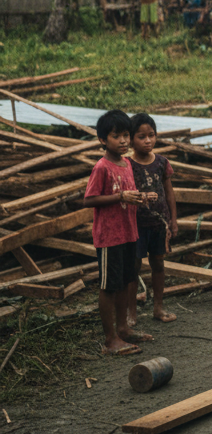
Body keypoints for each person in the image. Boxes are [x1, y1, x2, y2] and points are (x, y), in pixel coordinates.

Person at [83, 110, 153, 356]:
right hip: (109, 237)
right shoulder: (102, 167)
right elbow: (89, 200)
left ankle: (123, 329)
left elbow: (127, 195)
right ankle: (110, 339)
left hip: (128, 233)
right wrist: (120, 197)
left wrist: (141, 198)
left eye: (126, 135)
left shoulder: (127, 164)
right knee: (109, 286)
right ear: (103, 139)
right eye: (116, 136)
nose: (123, 141)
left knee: (126, 282)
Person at [127, 113, 177, 325]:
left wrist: (173, 220)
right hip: (135, 225)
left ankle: (158, 306)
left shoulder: (162, 163)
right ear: (130, 139)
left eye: (151, 135)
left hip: (159, 223)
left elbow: (169, 192)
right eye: (141, 136)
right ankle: (131, 313)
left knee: (158, 264)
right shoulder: (126, 164)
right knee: (133, 267)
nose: (148, 140)